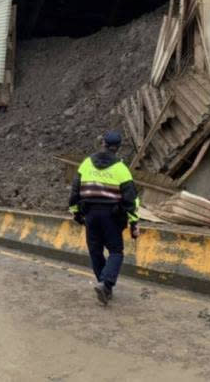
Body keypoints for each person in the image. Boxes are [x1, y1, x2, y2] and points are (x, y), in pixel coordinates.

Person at [68, 130, 140, 305]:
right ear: (117, 148)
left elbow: (75, 190)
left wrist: (75, 212)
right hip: (112, 216)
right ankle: (106, 283)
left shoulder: (86, 164)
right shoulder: (121, 169)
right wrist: (134, 223)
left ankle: (104, 286)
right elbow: (131, 198)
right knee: (116, 251)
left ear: (103, 144)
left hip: (90, 214)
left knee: (95, 251)